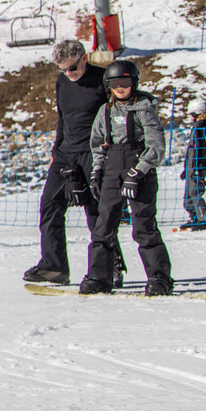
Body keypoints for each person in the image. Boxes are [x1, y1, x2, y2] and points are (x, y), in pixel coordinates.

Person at [25, 39, 125, 287]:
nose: (68, 74)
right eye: (62, 69)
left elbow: (117, 116)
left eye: (72, 68)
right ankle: (54, 266)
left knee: (97, 212)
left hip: (94, 153)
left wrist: (111, 148)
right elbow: (63, 117)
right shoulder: (62, 82)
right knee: (49, 206)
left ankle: (109, 267)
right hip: (64, 154)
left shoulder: (103, 80)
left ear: (84, 58)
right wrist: (56, 147)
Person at [81, 59, 173, 296]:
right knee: (104, 225)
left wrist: (139, 171)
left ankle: (159, 278)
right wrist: (97, 171)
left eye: (125, 82)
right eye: (115, 83)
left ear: (134, 82)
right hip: (113, 168)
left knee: (143, 226)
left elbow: (156, 146)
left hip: (138, 171)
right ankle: (100, 276)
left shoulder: (144, 109)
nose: (120, 88)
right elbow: (97, 144)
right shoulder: (106, 111)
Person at [180, 97, 206, 230]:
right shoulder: (197, 127)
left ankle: (204, 219)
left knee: (195, 193)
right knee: (188, 195)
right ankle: (195, 217)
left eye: (191, 115)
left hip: (198, 166)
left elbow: (201, 151)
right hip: (192, 166)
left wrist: (198, 169)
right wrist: (187, 168)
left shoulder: (203, 128)